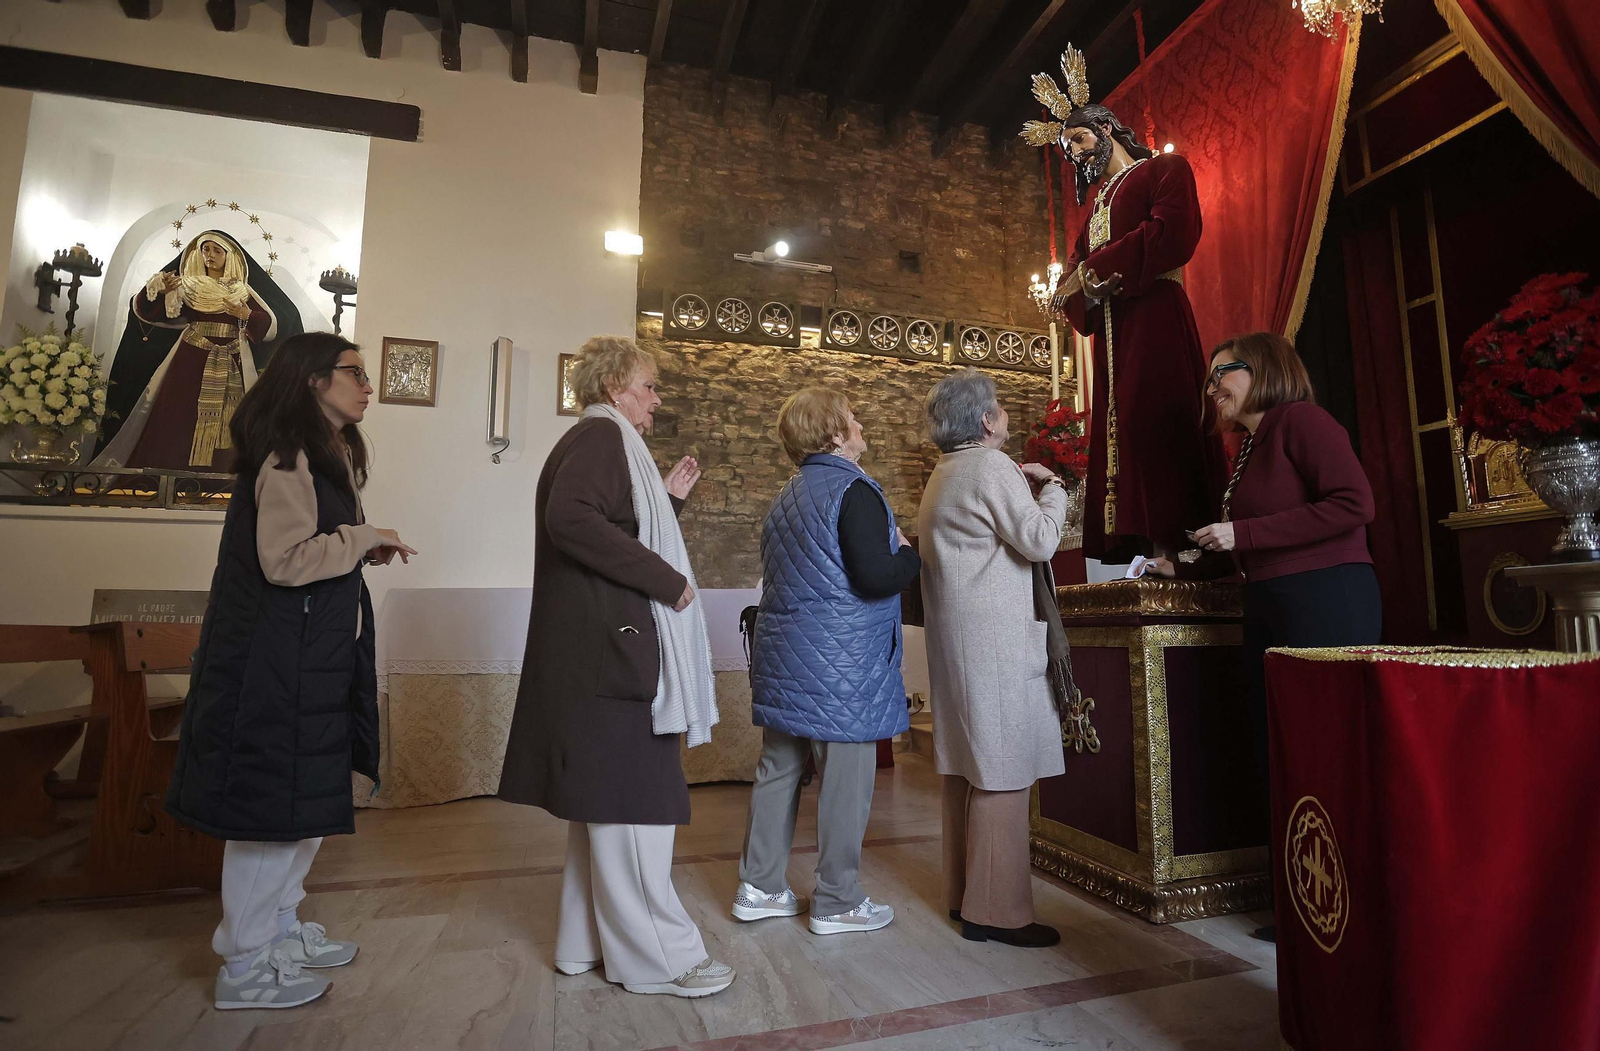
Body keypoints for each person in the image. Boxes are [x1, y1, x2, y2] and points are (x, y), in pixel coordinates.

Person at [165, 332, 416, 1010]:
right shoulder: (285, 455)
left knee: (300, 804)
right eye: (354, 373)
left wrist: (360, 546)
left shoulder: (323, 455)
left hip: (307, 661)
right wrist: (365, 538)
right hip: (271, 666)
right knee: (267, 811)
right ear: (310, 379)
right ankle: (244, 963)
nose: (368, 385)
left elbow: (311, 551)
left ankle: (277, 930)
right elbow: (283, 560)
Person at [498, 335, 735, 999]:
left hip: (600, 652)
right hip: (613, 657)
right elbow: (571, 518)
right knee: (638, 808)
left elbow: (602, 527)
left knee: (604, 806)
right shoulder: (601, 440)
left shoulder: (598, 441)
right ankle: (661, 957)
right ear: (612, 387)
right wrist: (665, 577)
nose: (657, 401)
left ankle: (584, 944)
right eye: (649, 386)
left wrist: (667, 504)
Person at [1154, 331, 1380, 939]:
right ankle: (1303, 904)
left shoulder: (1301, 421)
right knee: (1281, 752)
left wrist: (1240, 538)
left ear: (1262, 370)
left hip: (1324, 601)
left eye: (1219, 374)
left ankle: (1342, 905)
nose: (1211, 389)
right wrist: (1188, 565)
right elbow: (1256, 536)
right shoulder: (1249, 449)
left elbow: (1355, 504)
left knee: (1321, 752)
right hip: (1273, 605)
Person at [1024, 46, 1228, 563]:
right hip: (1118, 330)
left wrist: (1091, 274)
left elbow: (1170, 235)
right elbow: (1071, 277)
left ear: (1107, 130)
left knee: (1157, 416)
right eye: (1067, 146)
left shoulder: (1164, 171)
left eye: (1079, 139)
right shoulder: (1095, 208)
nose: (1074, 152)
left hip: (1156, 317)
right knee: (1126, 428)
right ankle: (1149, 546)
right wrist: (1081, 284)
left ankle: (1182, 545)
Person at [733, 388, 921, 936]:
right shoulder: (854, 490)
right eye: (853, 418)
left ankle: (760, 886)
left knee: (779, 768)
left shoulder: (786, 496)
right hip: (842, 664)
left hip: (786, 657)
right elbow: (873, 577)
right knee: (845, 778)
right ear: (836, 434)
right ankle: (838, 900)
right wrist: (909, 554)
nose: (861, 425)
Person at [917, 369, 1069, 948]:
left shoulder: (943, 473)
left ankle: (964, 897)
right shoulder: (990, 465)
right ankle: (997, 914)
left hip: (959, 644)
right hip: (996, 646)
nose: (1004, 415)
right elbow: (1040, 540)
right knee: (1002, 774)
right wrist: (1053, 487)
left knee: (967, 770)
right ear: (986, 421)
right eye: (1000, 408)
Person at [95, 230, 302, 471]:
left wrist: (246, 315)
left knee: (234, 416)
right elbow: (152, 313)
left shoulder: (240, 289)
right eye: (205, 250)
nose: (210, 255)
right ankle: (168, 474)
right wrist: (161, 293)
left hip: (233, 356)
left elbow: (269, 327)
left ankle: (223, 475)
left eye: (217, 250)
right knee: (180, 411)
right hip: (192, 356)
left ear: (229, 255)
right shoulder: (188, 285)